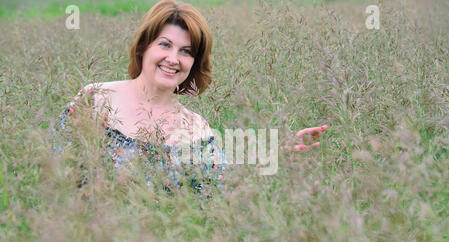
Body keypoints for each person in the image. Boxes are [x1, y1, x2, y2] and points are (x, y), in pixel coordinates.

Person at [53, 0, 329, 196]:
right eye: (164, 44)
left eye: (186, 51)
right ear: (143, 47)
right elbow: (53, 168)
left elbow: (224, 187)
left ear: (194, 62)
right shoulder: (97, 97)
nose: (173, 59)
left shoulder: (195, 128)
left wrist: (279, 154)